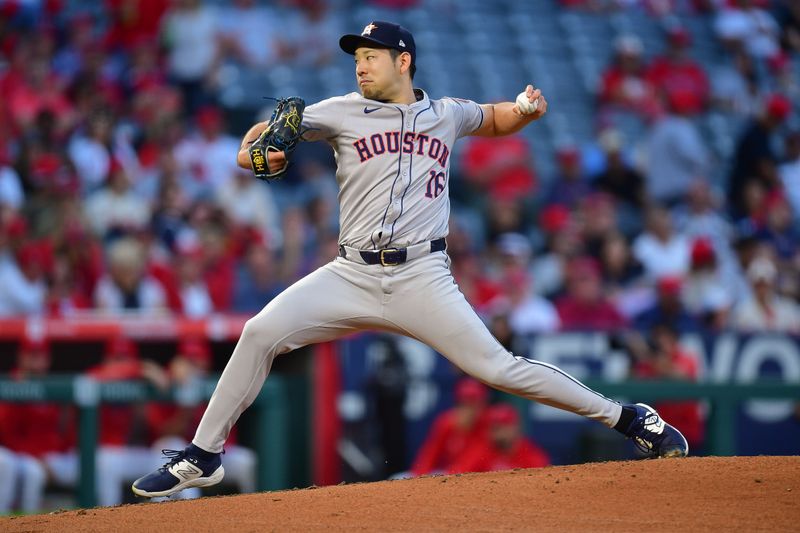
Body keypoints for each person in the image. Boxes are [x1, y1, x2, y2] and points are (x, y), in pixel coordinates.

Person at [132, 20, 688, 499]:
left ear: (405, 61)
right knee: (258, 332)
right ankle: (204, 456)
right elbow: (260, 138)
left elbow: (494, 118)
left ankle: (628, 417)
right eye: (357, 57)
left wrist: (524, 110)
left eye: (371, 57)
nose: (361, 66)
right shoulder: (342, 113)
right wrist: (259, 146)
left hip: (422, 275)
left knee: (498, 368)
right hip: (350, 272)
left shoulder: (444, 114)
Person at [411, 378, 490, 476]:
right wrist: (419, 476)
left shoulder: (487, 425)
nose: (468, 409)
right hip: (445, 475)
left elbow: (472, 461)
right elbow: (429, 455)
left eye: (473, 403)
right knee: (398, 477)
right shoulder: (446, 423)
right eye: (464, 403)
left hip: (475, 478)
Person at [449, 403, 550, 474]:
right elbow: (456, 474)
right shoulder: (482, 451)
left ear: (515, 427)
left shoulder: (529, 453)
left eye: (502, 426)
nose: (498, 433)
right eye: (493, 428)